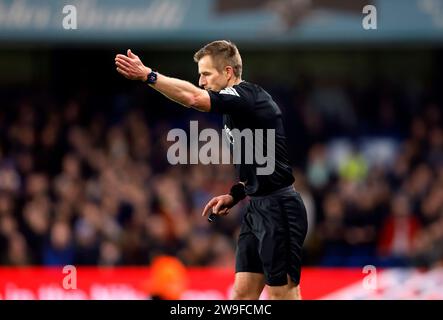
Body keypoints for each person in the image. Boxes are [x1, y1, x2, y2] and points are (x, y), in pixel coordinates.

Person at [115, 40, 308, 300]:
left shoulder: (249, 96)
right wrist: (235, 195)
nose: (201, 81)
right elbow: (262, 164)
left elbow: (193, 97)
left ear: (228, 72)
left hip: (279, 208)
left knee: (282, 294)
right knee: (241, 295)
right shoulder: (234, 110)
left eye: (206, 74)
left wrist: (149, 76)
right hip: (257, 207)